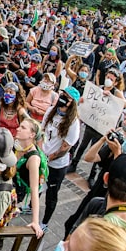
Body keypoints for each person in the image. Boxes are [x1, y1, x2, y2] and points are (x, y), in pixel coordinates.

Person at [41, 87, 82, 229]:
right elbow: (42, 132)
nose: (63, 98)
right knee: (37, 184)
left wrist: (49, 158)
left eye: (67, 97)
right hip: (43, 157)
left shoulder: (73, 123)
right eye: (62, 94)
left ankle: (45, 222)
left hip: (57, 165)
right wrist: (40, 153)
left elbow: (65, 147)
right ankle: (30, 206)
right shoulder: (51, 112)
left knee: (51, 194)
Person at [13, 118, 46, 238]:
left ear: (32, 135)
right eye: (19, 126)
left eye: (23, 128)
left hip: (16, 193)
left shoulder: (33, 159)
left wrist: (35, 221)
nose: (18, 129)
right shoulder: (17, 144)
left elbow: (34, 190)